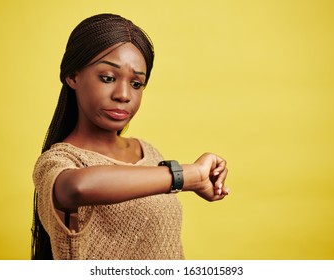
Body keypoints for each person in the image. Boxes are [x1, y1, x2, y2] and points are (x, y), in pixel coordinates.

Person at [31, 13, 230, 260]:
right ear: (73, 76)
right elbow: (77, 187)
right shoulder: (59, 161)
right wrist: (191, 176)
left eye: (137, 84)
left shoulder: (149, 153)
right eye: (108, 78)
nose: (124, 94)